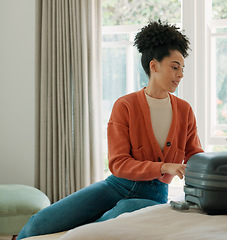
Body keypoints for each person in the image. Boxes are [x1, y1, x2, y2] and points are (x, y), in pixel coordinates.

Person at [17, 20, 204, 239]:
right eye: (174, 67)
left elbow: (196, 157)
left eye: (182, 68)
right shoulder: (125, 105)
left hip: (152, 196)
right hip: (115, 186)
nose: (180, 74)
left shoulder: (184, 111)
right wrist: (165, 166)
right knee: (38, 223)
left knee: (94, 230)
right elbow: (118, 163)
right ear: (154, 66)